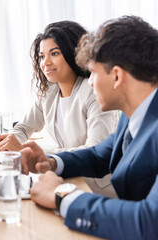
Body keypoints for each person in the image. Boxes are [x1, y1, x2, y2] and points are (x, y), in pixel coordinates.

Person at [21, 16, 158, 239]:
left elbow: (149, 220)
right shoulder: (133, 113)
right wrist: (50, 162)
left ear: (116, 76)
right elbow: (98, 155)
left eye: (93, 72)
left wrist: (62, 196)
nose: (90, 81)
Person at [0, 21, 117, 197]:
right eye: (41, 56)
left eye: (54, 53)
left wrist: (39, 155)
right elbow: (24, 127)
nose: (45, 63)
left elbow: (95, 149)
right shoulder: (49, 92)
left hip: (95, 187)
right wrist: (13, 140)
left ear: (75, 53)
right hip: (69, 179)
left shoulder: (94, 92)